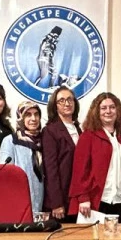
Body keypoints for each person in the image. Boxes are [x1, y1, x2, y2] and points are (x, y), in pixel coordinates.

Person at [69, 91, 121, 222]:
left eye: (112, 107)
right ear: (96, 112)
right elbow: (80, 170)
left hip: (120, 200)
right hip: (97, 201)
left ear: (118, 110)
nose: (108, 111)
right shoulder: (88, 136)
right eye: (103, 108)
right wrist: (83, 198)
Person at [42, 87, 81, 221]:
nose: (67, 103)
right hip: (61, 198)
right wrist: (56, 203)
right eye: (62, 101)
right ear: (55, 106)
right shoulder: (50, 131)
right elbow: (50, 169)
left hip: (76, 196)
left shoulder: (79, 129)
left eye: (70, 99)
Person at [0, 102, 45, 214]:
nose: (33, 118)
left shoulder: (45, 140)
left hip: (42, 201)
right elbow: (5, 175)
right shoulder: (11, 140)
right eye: (28, 115)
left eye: (36, 114)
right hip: (17, 202)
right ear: (21, 118)